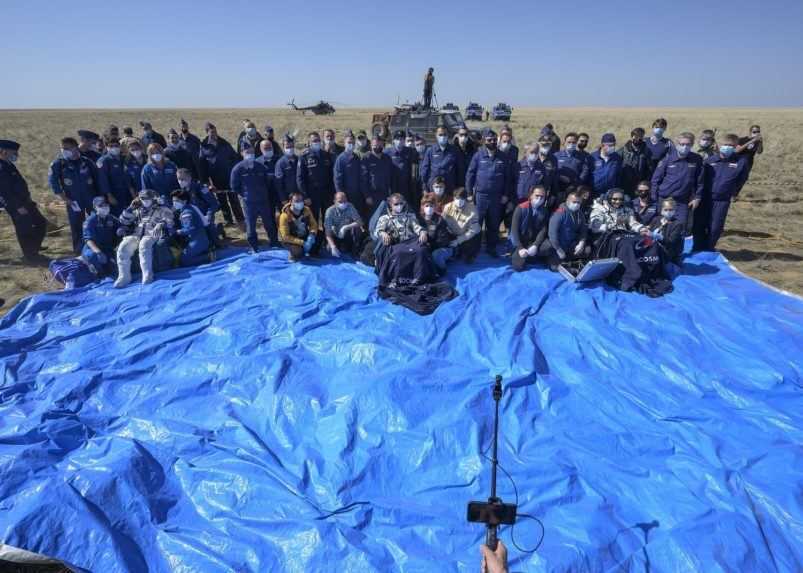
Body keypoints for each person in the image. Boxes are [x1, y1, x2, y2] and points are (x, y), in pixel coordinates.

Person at [694, 134, 749, 251]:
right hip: (705, 198)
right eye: (725, 145)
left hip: (722, 200)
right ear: (720, 145)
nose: (727, 147)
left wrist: (733, 192)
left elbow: (742, 179)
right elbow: (700, 180)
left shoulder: (741, 162)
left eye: (731, 145)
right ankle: (697, 247)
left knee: (715, 227)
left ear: (736, 147)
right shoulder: (710, 161)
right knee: (699, 225)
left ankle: (709, 247)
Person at [49, 136, 101, 254]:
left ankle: (98, 246)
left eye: (67, 148)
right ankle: (79, 250)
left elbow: (97, 179)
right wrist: (64, 198)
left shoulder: (86, 162)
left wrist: (100, 196)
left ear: (75, 148)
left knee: (96, 221)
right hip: (73, 200)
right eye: (63, 148)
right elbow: (53, 182)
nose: (64, 150)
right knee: (76, 225)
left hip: (91, 197)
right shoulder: (59, 164)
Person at [114, 189, 175, 287]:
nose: (145, 200)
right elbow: (123, 221)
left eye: (148, 198)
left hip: (152, 233)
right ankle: (124, 277)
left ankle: (147, 275)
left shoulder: (160, 208)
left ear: (152, 198)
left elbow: (170, 220)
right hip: (136, 234)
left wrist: (160, 224)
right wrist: (130, 208)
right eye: (143, 198)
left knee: (144, 245)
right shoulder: (137, 209)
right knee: (123, 247)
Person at [0, 139, 48, 262]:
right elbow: (5, 192)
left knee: (41, 223)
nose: (16, 155)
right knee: (25, 229)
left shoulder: (8, 165)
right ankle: (30, 256)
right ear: (4, 152)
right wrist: (17, 207)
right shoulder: (1, 167)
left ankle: (33, 249)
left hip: (26, 202)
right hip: (17, 205)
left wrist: (28, 200)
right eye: (14, 152)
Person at [466, 128, 510, 257]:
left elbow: (507, 178)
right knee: (477, 223)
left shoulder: (503, 157)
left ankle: (491, 248)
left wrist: (506, 194)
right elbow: (470, 174)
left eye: (494, 140)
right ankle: (474, 250)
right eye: (489, 140)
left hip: (496, 197)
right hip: (480, 196)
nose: (492, 142)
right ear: (484, 141)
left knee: (493, 224)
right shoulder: (478, 155)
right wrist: (469, 193)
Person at [231, 142, 277, 252]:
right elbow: (234, 187)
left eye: (252, 152)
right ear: (242, 153)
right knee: (251, 227)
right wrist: (245, 195)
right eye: (247, 152)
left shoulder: (261, 167)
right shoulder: (237, 169)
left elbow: (266, 182)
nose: (250, 154)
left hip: (263, 201)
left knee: (269, 223)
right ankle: (254, 246)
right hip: (249, 203)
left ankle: (274, 242)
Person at [650, 132, 704, 227]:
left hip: (682, 201)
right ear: (677, 144)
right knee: (661, 226)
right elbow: (655, 181)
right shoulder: (667, 159)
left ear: (692, 145)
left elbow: (700, 181)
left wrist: (697, 197)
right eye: (682, 144)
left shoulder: (697, 159)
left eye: (688, 144)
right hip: (664, 199)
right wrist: (654, 200)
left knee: (681, 226)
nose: (685, 147)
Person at [199, 122, 243, 226]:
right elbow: (202, 165)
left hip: (228, 176)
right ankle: (228, 220)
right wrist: (206, 181)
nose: (214, 134)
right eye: (212, 132)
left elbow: (234, 157)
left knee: (234, 198)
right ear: (207, 133)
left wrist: (235, 171)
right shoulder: (204, 146)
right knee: (222, 200)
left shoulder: (224, 143)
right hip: (216, 179)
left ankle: (240, 218)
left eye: (215, 131)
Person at [297, 131, 335, 228]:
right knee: (313, 220)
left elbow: (331, 175)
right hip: (312, 194)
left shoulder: (326, 155)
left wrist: (332, 193)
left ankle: (327, 240)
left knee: (328, 218)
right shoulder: (304, 156)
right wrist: (305, 196)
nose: (317, 142)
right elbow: (300, 178)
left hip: (326, 193)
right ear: (309, 142)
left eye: (318, 140)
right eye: (314, 140)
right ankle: (315, 241)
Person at [510, 185, 553, 271]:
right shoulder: (520, 208)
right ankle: (527, 255)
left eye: (542, 197)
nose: (539, 199)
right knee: (517, 267)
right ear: (531, 195)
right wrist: (520, 248)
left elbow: (543, 230)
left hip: (533, 241)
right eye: (537, 196)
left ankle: (532, 254)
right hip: (521, 242)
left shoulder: (544, 211)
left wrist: (535, 245)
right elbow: (514, 231)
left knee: (549, 246)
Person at [176, 168, 220, 246]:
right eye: (179, 179)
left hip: (204, 216)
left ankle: (217, 231)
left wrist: (208, 216)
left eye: (183, 179)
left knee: (213, 242)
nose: (180, 181)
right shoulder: (181, 192)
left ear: (189, 177)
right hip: (193, 218)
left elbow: (214, 204)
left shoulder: (200, 188)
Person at [548, 191, 590, 270]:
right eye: (574, 202)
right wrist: (558, 249)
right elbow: (552, 234)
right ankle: (565, 261)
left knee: (587, 250)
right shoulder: (559, 213)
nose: (576, 204)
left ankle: (569, 260)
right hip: (559, 245)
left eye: (578, 202)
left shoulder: (580, 213)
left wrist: (581, 243)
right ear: (567, 201)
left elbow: (583, 230)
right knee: (554, 267)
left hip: (572, 244)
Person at [81, 196, 119, 276]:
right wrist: (98, 252)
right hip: (93, 249)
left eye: (106, 205)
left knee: (114, 269)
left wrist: (122, 229)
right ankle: (90, 266)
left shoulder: (111, 218)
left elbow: (121, 225)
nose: (105, 208)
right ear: (95, 207)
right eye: (101, 206)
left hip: (107, 248)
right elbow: (88, 240)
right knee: (93, 257)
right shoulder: (90, 221)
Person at [171, 189, 210, 266]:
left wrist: (177, 232)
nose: (174, 203)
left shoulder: (186, 213)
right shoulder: (188, 208)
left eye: (176, 201)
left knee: (184, 261)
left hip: (197, 241)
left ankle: (208, 257)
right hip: (199, 238)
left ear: (184, 201)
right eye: (173, 201)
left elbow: (190, 229)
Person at [442, 187, 481, 262]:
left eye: (462, 199)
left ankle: (470, 254)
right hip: (453, 233)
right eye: (457, 198)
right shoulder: (447, 207)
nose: (459, 201)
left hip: (467, 235)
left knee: (470, 248)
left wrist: (458, 241)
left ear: (465, 199)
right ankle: (456, 251)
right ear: (453, 198)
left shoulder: (473, 209)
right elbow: (443, 223)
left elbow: (472, 231)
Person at [420, 126, 464, 193]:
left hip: (450, 189)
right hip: (433, 189)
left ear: (448, 135)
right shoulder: (430, 151)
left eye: (445, 134)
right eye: (440, 135)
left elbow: (460, 170)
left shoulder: (455, 151)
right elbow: (424, 170)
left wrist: (459, 187)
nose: (443, 137)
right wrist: (424, 188)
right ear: (436, 135)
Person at [96, 137, 133, 216]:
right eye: (111, 146)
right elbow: (103, 179)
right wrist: (109, 195)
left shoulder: (123, 158)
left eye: (116, 146)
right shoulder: (104, 161)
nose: (114, 148)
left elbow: (127, 175)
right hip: (114, 194)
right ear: (107, 147)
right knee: (117, 216)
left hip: (126, 193)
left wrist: (131, 189)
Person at [513, 138, 557, 205]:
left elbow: (545, 185)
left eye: (536, 152)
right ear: (525, 152)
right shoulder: (517, 166)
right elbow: (511, 183)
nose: (534, 154)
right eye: (532, 152)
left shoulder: (541, 167)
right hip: (518, 201)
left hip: (534, 202)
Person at [418, 192, 454, 271]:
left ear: (435, 207)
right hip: (425, 248)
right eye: (427, 206)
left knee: (436, 256)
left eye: (431, 206)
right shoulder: (418, 220)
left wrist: (429, 246)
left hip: (442, 248)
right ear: (422, 207)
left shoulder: (440, 220)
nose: (429, 208)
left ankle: (442, 270)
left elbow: (443, 241)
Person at [278, 191, 318, 262]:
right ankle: (293, 254)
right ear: (291, 202)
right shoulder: (284, 216)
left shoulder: (307, 210)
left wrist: (312, 234)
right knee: (298, 252)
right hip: (290, 239)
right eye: (296, 201)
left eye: (301, 200)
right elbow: (285, 236)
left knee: (319, 236)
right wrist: (302, 243)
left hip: (303, 235)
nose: (299, 203)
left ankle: (308, 250)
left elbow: (313, 224)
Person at [360, 134, 394, 217]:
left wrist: (391, 194)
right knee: (373, 218)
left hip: (385, 194)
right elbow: (363, 179)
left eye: (379, 145)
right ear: (371, 145)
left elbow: (391, 177)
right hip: (372, 195)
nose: (377, 147)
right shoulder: (366, 158)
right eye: (375, 145)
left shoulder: (387, 158)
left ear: (382, 145)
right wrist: (367, 196)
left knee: (385, 217)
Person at [324, 191, 365, 259]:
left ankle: (355, 248)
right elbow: (327, 232)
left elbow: (360, 222)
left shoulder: (350, 206)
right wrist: (333, 246)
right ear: (334, 201)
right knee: (329, 249)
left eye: (345, 201)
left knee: (357, 229)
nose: (343, 203)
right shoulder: (329, 211)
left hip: (347, 234)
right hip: (335, 235)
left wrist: (346, 227)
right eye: (340, 202)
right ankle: (336, 246)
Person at [334, 131, 364, 215]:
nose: (351, 144)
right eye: (349, 142)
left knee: (357, 215)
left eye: (353, 142)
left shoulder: (356, 157)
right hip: (346, 195)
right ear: (345, 143)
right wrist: (340, 194)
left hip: (357, 194)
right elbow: (337, 179)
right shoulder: (340, 159)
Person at [649, 198, 684, 265]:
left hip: (669, 252)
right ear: (662, 210)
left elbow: (671, 242)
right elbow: (649, 234)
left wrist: (661, 238)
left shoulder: (678, 224)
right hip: (654, 248)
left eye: (670, 210)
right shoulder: (656, 219)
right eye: (666, 210)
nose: (668, 212)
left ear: (675, 211)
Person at [386, 130, 416, 209]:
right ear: (393, 140)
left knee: (405, 205)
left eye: (402, 139)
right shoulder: (387, 152)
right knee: (394, 205)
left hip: (406, 185)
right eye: (397, 139)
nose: (399, 141)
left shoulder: (410, 151)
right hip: (393, 184)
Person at [618, 127, 652, 197]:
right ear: (632, 137)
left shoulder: (646, 151)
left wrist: (645, 183)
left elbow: (649, 169)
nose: (638, 139)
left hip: (639, 185)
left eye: (640, 136)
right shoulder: (623, 150)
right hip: (624, 184)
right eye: (636, 136)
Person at [555, 132, 590, 197]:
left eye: (573, 142)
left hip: (573, 190)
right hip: (558, 188)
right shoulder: (556, 156)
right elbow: (553, 170)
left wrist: (574, 185)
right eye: (569, 142)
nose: (571, 144)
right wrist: (559, 177)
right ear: (564, 143)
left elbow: (584, 172)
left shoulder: (582, 157)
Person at [591, 133, 622, 200]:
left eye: (614, 145)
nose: (612, 147)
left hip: (610, 194)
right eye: (610, 145)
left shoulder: (617, 158)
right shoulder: (593, 157)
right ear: (602, 145)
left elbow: (619, 175)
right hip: (595, 193)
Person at [274, 133, 300, 205]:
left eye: (291, 146)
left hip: (300, 196)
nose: (290, 149)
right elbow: (279, 184)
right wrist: (283, 198)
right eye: (287, 147)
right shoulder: (280, 163)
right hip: (288, 197)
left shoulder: (299, 160)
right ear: (283, 147)